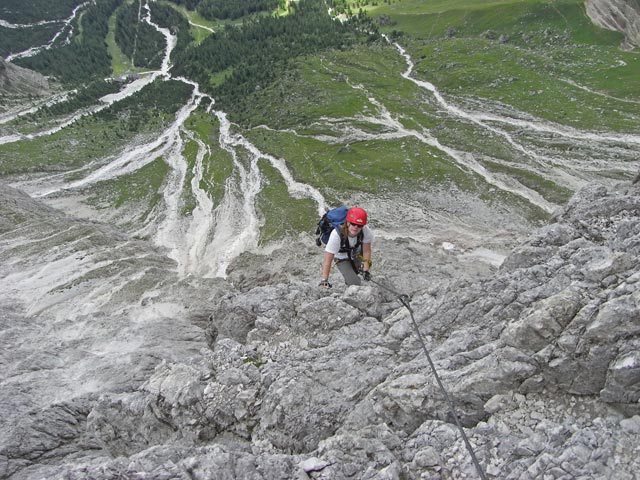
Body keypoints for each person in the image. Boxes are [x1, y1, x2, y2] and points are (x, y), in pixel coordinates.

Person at [319, 207, 373, 288]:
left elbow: (366, 251)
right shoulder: (336, 234)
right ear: (347, 222)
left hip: (355, 252)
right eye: (353, 224)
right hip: (341, 257)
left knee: (360, 273)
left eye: (359, 225)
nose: (356, 227)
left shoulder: (365, 231)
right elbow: (328, 259)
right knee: (355, 284)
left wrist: (366, 270)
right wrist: (324, 280)